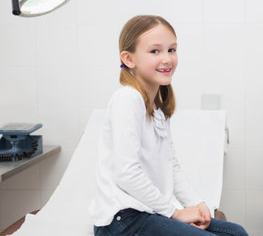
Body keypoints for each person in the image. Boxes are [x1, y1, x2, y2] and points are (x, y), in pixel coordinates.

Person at [89, 15, 248, 236]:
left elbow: (171, 165)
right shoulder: (128, 99)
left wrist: (198, 204)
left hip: (150, 214)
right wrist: (175, 213)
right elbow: (126, 174)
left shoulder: (156, 108)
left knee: (236, 233)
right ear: (128, 58)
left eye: (171, 50)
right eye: (155, 51)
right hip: (123, 221)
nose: (167, 59)